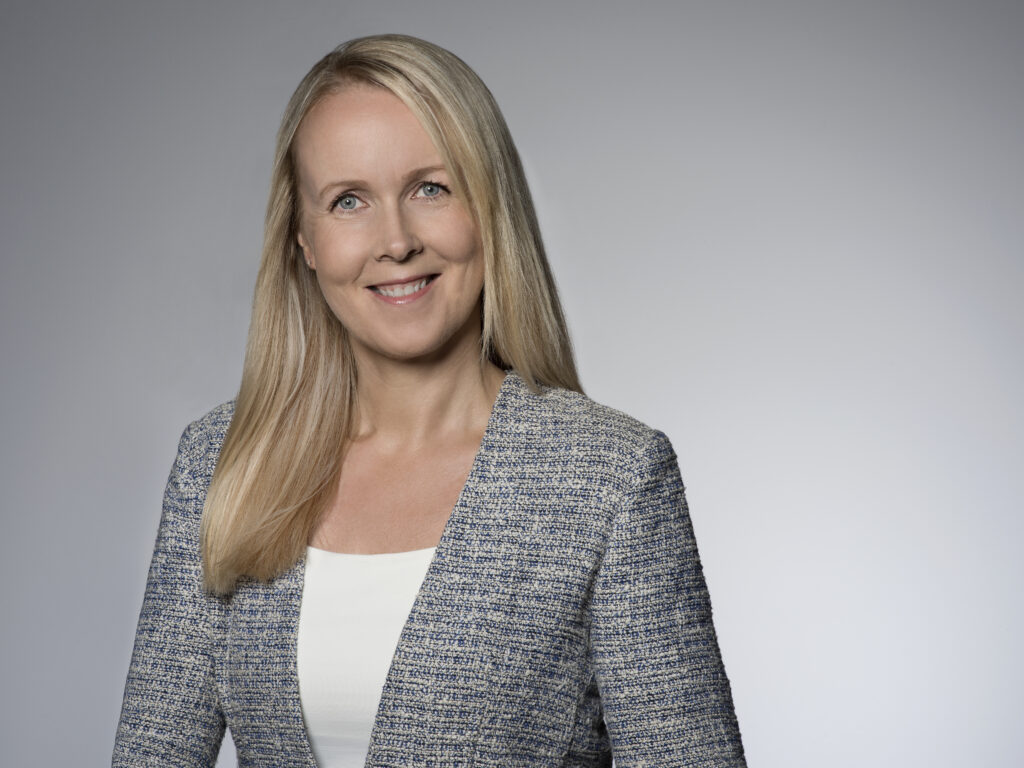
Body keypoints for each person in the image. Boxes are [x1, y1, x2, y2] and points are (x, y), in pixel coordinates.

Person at [113, 34, 747, 767]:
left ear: (490, 207)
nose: (396, 241)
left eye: (430, 189)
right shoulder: (223, 463)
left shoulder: (611, 477)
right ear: (303, 240)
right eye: (348, 201)